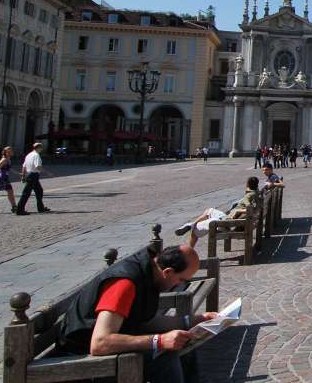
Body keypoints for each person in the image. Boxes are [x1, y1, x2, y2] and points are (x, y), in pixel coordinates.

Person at [57, 244, 219, 383]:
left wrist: (193, 321)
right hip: (81, 360)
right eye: (181, 280)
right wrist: (159, 341)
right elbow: (100, 343)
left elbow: (143, 321)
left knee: (184, 344)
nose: (180, 285)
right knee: (164, 357)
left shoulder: (148, 274)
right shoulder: (125, 284)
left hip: (109, 346)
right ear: (168, 272)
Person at [174, 177, 259, 247]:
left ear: (247, 184)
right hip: (229, 220)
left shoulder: (249, 195)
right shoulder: (256, 193)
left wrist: (237, 211)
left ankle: (189, 251)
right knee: (209, 211)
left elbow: (251, 208)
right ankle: (191, 224)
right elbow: (256, 207)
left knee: (194, 231)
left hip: (226, 223)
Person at [16, 142, 53, 215]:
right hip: (33, 175)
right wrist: (47, 173)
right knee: (26, 193)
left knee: (39, 191)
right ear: (39, 148)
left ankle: (41, 208)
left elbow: (24, 166)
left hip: (30, 175)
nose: (42, 149)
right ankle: (19, 209)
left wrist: (23, 176)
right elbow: (38, 166)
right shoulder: (36, 155)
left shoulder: (29, 155)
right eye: (41, 148)